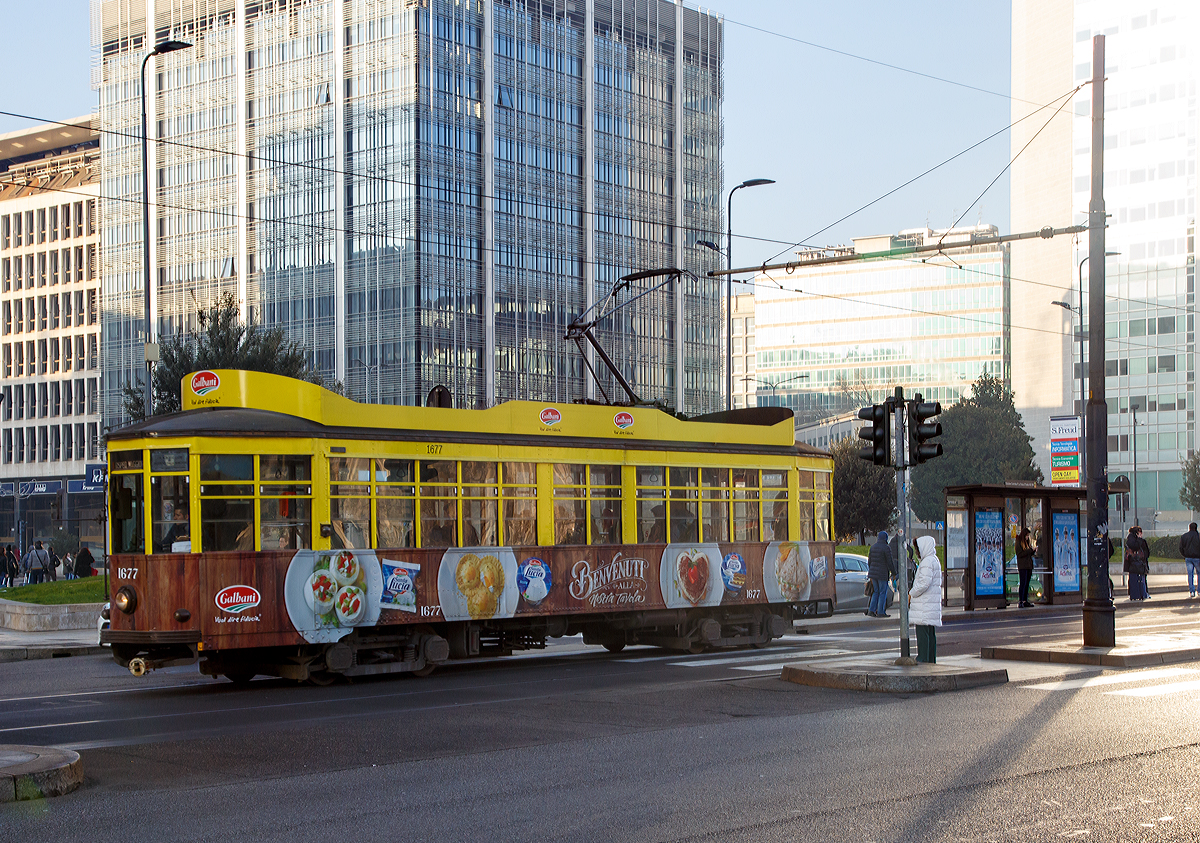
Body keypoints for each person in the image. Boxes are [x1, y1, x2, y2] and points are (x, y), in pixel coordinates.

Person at [910, 535, 943, 663]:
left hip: (924, 604)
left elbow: (923, 583)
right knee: (930, 633)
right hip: (930, 604)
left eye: (918, 548)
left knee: (922, 633)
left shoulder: (927, 562)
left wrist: (911, 593)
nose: (917, 551)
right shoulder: (934, 560)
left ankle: (923, 658)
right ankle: (930, 659)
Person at [866, 531, 895, 618]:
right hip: (882, 574)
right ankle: (881, 612)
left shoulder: (873, 547)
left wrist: (871, 571)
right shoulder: (886, 548)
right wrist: (894, 572)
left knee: (875, 592)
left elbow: (869, 561)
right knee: (883, 592)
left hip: (873, 574)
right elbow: (890, 562)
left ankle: (871, 610)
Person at [1125, 525, 1150, 601]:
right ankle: (1142, 594)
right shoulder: (1138, 540)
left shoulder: (1130, 540)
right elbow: (1138, 548)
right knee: (1140, 579)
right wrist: (1139, 539)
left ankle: (1138, 594)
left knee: (1136, 579)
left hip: (1134, 564)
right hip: (1138, 564)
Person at [1015, 527, 1037, 608]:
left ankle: (1025, 600)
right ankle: (1021, 600)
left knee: (1027, 583)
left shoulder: (1027, 542)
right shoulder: (1019, 542)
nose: (1028, 537)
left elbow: (1028, 553)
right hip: (1023, 566)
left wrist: (1033, 551)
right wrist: (1030, 551)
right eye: (1027, 535)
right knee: (1023, 583)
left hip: (1028, 565)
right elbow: (1020, 554)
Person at [1180, 522, 1200, 599]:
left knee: (1190, 574)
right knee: (1199, 573)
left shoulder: (1184, 536)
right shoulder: (1198, 536)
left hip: (1188, 558)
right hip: (1197, 558)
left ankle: (1192, 591)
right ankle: (1199, 590)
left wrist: (1184, 555)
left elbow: (1181, 548)